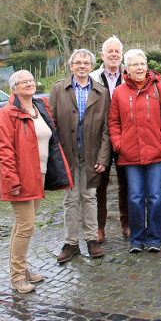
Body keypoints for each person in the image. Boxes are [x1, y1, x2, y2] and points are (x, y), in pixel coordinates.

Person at [0, 70, 72, 293]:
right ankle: (17, 276)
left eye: (31, 80)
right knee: (26, 226)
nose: (29, 84)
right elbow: (4, 150)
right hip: (20, 177)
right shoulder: (7, 113)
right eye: (23, 82)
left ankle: (21, 268)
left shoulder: (39, 108)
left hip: (40, 174)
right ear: (14, 88)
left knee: (23, 225)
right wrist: (12, 181)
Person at [108, 49, 161, 253]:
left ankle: (155, 237)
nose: (139, 68)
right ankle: (137, 238)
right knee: (135, 196)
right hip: (130, 153)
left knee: (155, 196)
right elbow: (113, 121)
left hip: (156, 151)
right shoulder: (119, 92)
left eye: (142, 64)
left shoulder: (159, 88)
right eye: (134, 65)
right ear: (127, 69)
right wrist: (118, 143)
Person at [49, 49, 111, 263]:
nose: (82, 66)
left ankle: (92, 240)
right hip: (68, 153)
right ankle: (71, 243)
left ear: (91, 66)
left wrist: (103, 158)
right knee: (70, 199)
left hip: (92, 153)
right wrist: (56, 156)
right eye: (78, 62)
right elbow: (52, 124)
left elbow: (106, 129)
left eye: (86, 63)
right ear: (71, 66)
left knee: (90, 197)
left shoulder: (101, 92)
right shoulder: (58, 89)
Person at [90, 36, 129, 242]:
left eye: (117, 51)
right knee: (99, 184)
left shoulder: (129, 74)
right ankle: (99, 227)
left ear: (121, 55)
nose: (114, 55)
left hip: (125, 136)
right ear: (102, 55)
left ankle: (127, 223)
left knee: (127, 183)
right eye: (110, 51)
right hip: (100, 137)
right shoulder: (93, 77)